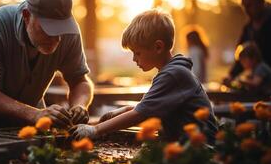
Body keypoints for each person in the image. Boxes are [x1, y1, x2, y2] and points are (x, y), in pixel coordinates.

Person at [71, 9, 218, 144]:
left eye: (138, 53)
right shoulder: (172, 71)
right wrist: (124, 111)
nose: (134, 59)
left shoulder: (173, 74)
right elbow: (151, 108)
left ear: (158, 47)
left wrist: (95, 130)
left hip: (202, 147)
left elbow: (140, 114)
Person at [0, 0, 94, 130]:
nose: (57, 38)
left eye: (61, 29)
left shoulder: (70, 34)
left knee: (42, 149)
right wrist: (34, 114)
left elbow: (80, 81)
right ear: (26, 16)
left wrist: (80, 105)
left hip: (31, 103)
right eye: (49, 29)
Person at [224, 0, 271, 84]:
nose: (246, 10)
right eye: (244, 6)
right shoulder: (248, 29)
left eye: (249, 5)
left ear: (260, 1)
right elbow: (241, 57)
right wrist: (231, 75)